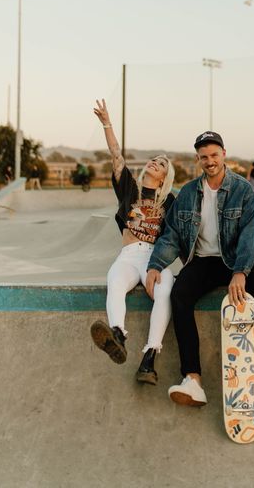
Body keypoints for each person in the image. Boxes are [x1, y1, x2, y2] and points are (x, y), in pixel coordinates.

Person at [146, 130, 254, 407]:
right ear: (198, 159)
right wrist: (156, 265)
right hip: (202, 262)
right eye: (204, 157)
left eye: (214, 155)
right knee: (179, 294)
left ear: (223, 154)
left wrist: (241, 271)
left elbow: (251, 232)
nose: (210, 161)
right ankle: (192, 380)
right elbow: (172, 235)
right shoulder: (189, 193)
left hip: (232, 260)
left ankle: (247, 337)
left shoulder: (243, 189)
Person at [90, 99, 176, 385]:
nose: (155, 162)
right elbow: (116, 156)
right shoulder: (130, 188)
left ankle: (149, 359)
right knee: (114, 281)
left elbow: (180, 232)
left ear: (165, 176)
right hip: (128, 256)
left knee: (165, 293)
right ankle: (117, 336)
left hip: (155, 258)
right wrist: (106, 123)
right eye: (154, 159)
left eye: (161, 164)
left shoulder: (170, 201)